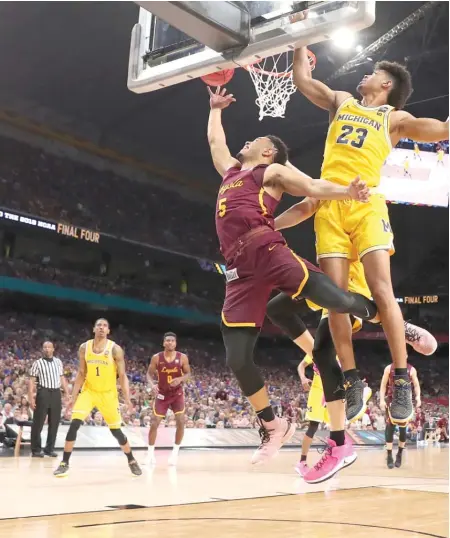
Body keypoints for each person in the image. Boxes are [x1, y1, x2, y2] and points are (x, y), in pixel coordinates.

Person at [207, 85, 382, 467]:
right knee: (237, 357)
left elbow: (313, 188)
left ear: (268, 152)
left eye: (255, 139)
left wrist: (347, 192)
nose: (247, 140)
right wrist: (215, 109)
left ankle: (377, 313)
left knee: (334, 298)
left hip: (266, 249)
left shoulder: (270, 172)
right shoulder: (232, 173)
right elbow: (215, 142)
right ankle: (273, 426)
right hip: (238, 271)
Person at [292, 43, 448, 426]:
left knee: (381, 289)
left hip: (366, 205)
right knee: (335, 301)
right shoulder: (342, 101)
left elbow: (443, 130)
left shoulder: (393, 118)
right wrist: (298, 42)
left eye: (373, 71)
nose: (365, 73)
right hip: (330, 204)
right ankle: (351, 378)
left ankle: (401, 378)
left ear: (386, 83)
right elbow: (302, 81)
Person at [53, 319, 141, 477]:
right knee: (74, 424)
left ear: (108, 331)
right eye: (99, 325)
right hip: (89, 391)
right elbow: (81, 373)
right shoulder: (84, 348)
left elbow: (122, 375)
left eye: (105, 326)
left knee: (116, 431)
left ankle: (131, 460)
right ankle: (64, 462)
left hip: (108, 394)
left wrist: (127, 398)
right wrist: (73, 397)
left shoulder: (115, 349)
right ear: (93, 328)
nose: (101, 328)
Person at [147, 332, 191, 466]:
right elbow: (149, 374)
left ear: (175, 343)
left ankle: (175, 453)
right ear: (164, 343)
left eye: (172, 340)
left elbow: (188, 373)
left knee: (181, 421)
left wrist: (180, 379)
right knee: (155, 422)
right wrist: (152, 384)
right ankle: (150, 454)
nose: (170, 342)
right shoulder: (156, 358)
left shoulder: (182, 358)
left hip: (177, 394)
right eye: (167, 340)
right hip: (162, 394)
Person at [29, 341, 69, 457]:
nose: (46, 349)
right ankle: (36, 450)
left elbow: (62, 378)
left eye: (49, 347)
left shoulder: (58, 362)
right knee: (38, 422)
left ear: (53, 349)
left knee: (54, 422)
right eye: (45, 347)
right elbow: (31, 381)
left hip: (56, 393)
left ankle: (49, 449)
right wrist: (31, 397)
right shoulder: (37, 363)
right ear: (43, 349)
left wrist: (67, 393)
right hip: (43, 392)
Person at [379, 362, 421, 468]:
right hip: (391, 400)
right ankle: (389, 454)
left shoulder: (411, 369)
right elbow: (383, 385)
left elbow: (416, 385)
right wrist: (381, 400)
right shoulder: (389, 368)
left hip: (404, 402)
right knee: (390, 427)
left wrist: (418, 397)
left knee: (403, 429)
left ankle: (400, 453)